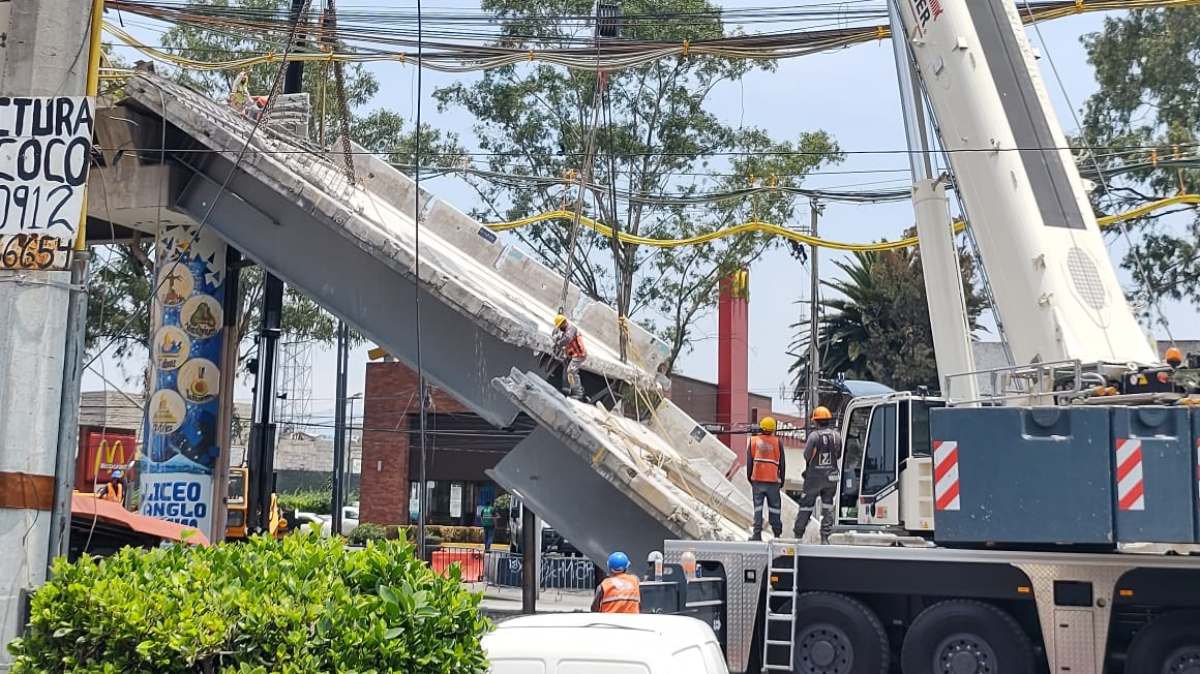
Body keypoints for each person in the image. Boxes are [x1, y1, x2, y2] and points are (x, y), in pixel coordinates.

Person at [793, 406, 842, 543]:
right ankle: (825, 537)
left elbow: (806, 455)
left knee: (806, 505)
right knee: (827, 506)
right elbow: (838, 455)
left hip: (814, 477)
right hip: (831, 477)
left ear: (816, 422)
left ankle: (798, 535)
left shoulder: (814, 436)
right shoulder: (836, 436)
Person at [747, 416, 786, 541]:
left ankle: (757, 534)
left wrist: (750, 478)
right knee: (774, 508)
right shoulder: (777, 442)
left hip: (757, 480)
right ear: (773, 429)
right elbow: (782, 463)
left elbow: (749, 462)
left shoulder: (753, 441)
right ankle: (777, 534)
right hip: (773, 481)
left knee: (757, 508)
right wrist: (782, 480)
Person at [552, 314, 587, 400]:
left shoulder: (571, 329)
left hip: (579, 354)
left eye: (560, 326)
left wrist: (559, 343)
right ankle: (568, 389)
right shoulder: (565, 332)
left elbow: (567, 339)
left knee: (571, 371)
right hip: (572, 355)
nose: (560, 328)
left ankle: (578, 393)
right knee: (566, 369)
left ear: (564, 323)